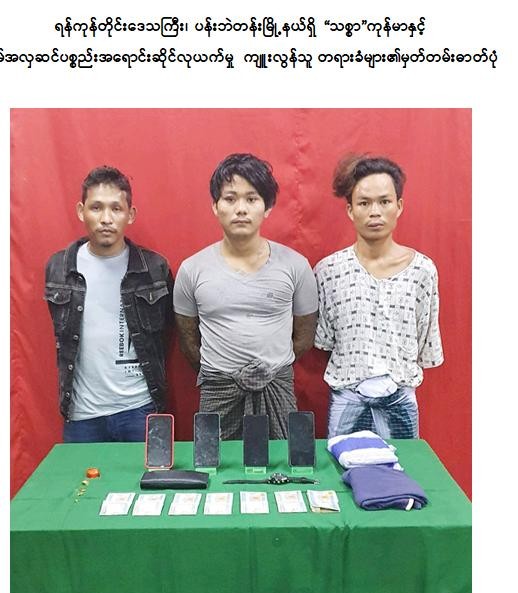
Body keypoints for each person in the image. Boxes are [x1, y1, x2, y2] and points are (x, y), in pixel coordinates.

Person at [174, 153, 318, 439]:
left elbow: (304, 337)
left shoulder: (296, 266)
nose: (240, 209)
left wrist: (267, 369)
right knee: (214, 462)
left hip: (276, 388)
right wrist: (225, 371)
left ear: (267, 207)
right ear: (215, 206)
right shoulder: (192, 270)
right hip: (218, 390)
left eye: (252, 199)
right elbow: (188, 341)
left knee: (282, 462)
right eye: (230, 199)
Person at [314, 154, 444, 439]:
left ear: (399, 206)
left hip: (401, 399)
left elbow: (425, 339)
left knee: (403, 466)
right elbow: (325, 340)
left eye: (384, 202)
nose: (375, 212)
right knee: (343, 464)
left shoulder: (422, 271)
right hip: (347, 399)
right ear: (350, 210)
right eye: (364, 203)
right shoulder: (328, 271)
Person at [44, 165, 173, 442]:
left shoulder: (154, 269)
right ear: (81, 211)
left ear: (130, 214)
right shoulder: (59, 268)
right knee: (80, 474)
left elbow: (167, 332)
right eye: (96, 208)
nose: (106, 219)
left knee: (146, 472)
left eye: (116, 208)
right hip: (82, 414)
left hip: (140, 409)